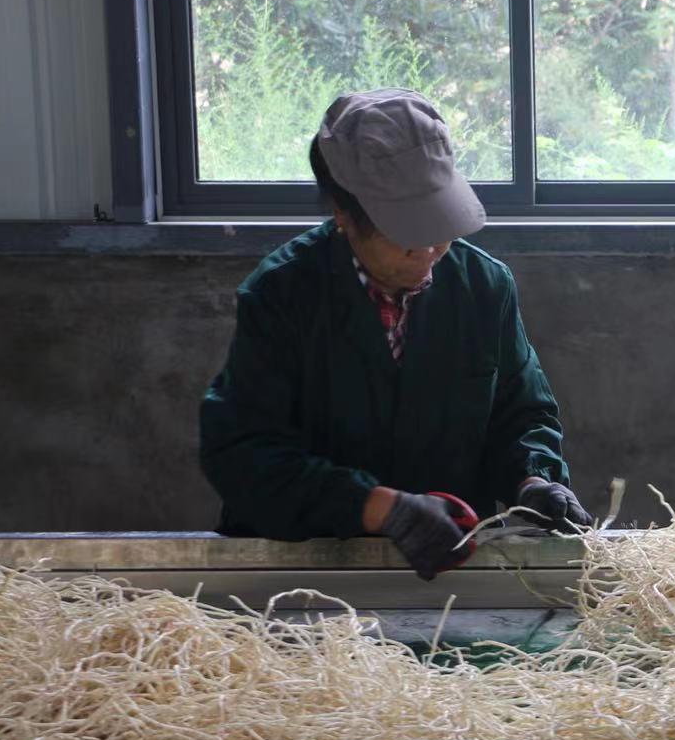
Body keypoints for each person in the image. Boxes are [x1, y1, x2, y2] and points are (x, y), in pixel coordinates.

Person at [200, 88, 592, 581]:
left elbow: (521, 412)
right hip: (307, 579)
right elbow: (241, 456)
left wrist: (534, 479)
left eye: (440, 224)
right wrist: (379, 508)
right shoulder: (282, 296)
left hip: (447, 577)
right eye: (407, 232)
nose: (429, 249)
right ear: (344, 215)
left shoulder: (484, 288)